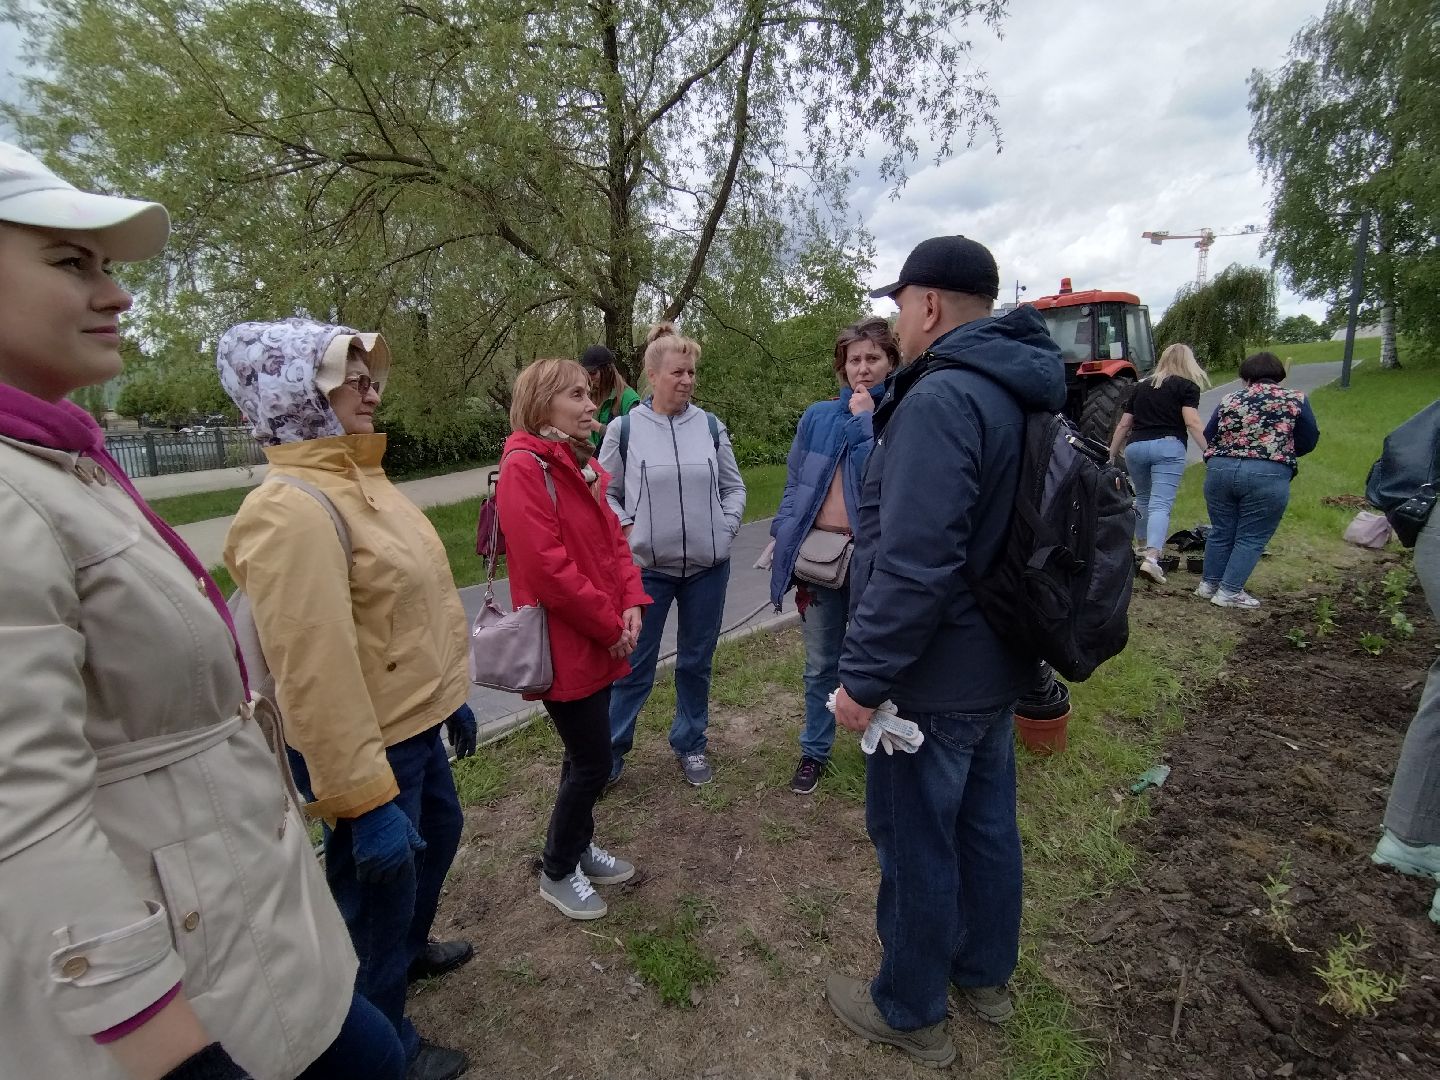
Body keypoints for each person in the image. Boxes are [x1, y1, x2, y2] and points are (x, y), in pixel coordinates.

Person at [0, 142, 404, 1080]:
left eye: (107, 266)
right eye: (70, 263)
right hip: (182, 968)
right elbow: (22, 814)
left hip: (236, 914)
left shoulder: (63, 466)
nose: (116, 294)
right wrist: (161, 1046)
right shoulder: (20, 492)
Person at [826, 235, 1066, 1067]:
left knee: (918, 840)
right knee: (987, 827)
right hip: (999, 659)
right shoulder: (1024, 388)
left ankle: (911, 1008)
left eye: (902, 305)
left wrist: (862, 679)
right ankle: (983, 976)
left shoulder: (941, 400)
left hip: (931, 679)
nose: (900, 321)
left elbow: (915, 561)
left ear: (928, 306)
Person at [218, 318, 474, 1080]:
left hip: (410, 723)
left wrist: (446, 696)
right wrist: (361, 803)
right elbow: (314, 671)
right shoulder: (289, 508)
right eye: (349, 378)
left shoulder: (361, 479)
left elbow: (412, 605)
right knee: (373, 895)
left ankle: (407, 951)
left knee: (441, 834)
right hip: (366, 743)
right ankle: (383, 1025)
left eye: (369, 375)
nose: (371, 389)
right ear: (301, 394)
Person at [495, 358, 651, 920]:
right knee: (591, 758)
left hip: (598, 636)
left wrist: (631, 601)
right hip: (568, 643)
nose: (592, 405)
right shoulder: (524, 467)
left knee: (584, 755)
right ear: (543, 407)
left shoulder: (577, 464)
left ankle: (577, 846)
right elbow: (548, 571)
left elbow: (613, 542)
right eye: (579, 396)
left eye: (590, 395)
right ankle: (558, 868)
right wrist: (610, 626)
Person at [599, 324, 747, 787]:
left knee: (695, 662)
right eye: (678, 372)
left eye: (691, 373)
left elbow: (734, 487)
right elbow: (605, 494)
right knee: (633, 667)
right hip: (648, 571)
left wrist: (724, 530)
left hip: (708, 568)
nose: (687, 380)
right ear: (652, 374)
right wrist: (627, 528)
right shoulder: (625, 430)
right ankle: (609, 756)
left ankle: (691, 743)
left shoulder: (709, 426)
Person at [768, 317, 900, 794]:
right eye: (853, 360)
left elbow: (875, 484)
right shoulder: (818, 417)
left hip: (874, 561)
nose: (862, 369)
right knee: (821, 663)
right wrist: (786, 530)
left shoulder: (900, 415)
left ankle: (885, 747)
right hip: (822, 558)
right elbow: (796, 484)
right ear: (841, 367)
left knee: (879, 660)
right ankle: (814, 751)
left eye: (873, 359)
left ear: (891, 363)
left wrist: (865, 422)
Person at [1198, 351, 1320, 608]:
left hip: (1220, 469)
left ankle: (1208, 584)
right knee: (1251, 536)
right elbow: (1309, 438)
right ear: (1278, 375)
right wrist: (1283, 451)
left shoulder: (1230, 399)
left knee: (1220, 530)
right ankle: (1229, 592)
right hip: (1267, 470)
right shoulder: (1295, 399)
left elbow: (1209, 434)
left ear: (1246, 376)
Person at [1108, 343, 1210, 584]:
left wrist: (1111, 453)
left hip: (1135, 447)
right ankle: (1153, 559)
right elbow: (1192, 422)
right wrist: (1209, 450)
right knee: (1160, 503)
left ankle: (1141, 548)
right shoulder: (1187, 386)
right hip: (1168, 445)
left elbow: (1124, 424)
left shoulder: (1141, 387)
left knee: (1142, 498)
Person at [581, 343, 641, 448]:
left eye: (593, 373)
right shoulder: (587, 396)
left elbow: (635, 439)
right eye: (586, 374)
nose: (590, 378)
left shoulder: (629, 399)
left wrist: (598, 427)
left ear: (608, 370)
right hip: (590, 463)